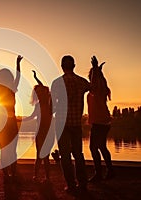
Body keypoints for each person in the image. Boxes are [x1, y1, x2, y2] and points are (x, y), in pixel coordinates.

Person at [51, 55, 89, 193]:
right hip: (76, 124)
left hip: (62, 124)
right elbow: (93, 87)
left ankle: (71, 185)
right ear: (74, 66)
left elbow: (53, 107)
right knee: (78, 154)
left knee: (65, 156)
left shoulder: (57, 83)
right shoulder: (82, 82)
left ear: (62, 66)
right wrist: (96, 69)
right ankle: (83, 183)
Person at [0, 54, 22, 182]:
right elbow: (18, 76)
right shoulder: (8, 89)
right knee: (11, 150)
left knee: (5, 149)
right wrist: (18, 64)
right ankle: (11, 173)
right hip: (9, 122)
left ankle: (7, 174)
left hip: (1, 122)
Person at [21, 71, 52, 183]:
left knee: (46, 156)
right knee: (39, 155)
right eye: (37, 93)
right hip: (39, 131)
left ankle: (47, 177)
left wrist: (36, 78)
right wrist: (21, 120)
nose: (39, 94)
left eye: (40, 92)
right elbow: (32, 116)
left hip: (48, 131)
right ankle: (36, 175)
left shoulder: (49, 103)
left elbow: (45, 87)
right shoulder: (38, 105)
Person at [87, 56, 114, 182]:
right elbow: (93, 84)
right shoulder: (99, 89)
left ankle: (99, 173)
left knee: (94, 147)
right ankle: (109, 171)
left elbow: (94, 85)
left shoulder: (99, 89)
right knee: (101, 147)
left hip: (100, 122)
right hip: (101, 121)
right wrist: (97, 70)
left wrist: (95, 69)